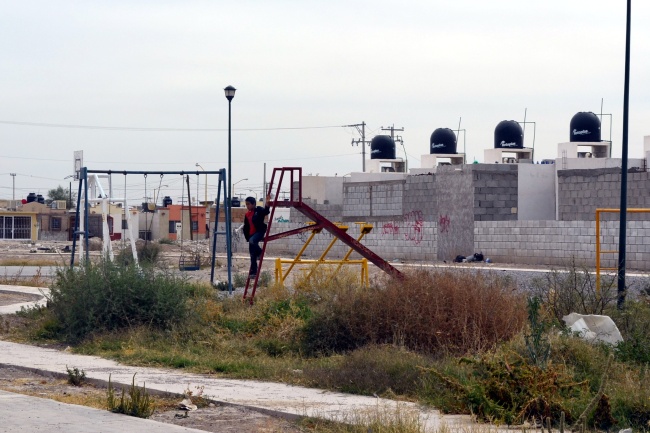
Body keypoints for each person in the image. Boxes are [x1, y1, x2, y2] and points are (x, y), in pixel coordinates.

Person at [243, 194, 271, 277]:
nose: (247, 206)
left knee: (252, 241)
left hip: (259, 231)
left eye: (249, 204)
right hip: (252, 234)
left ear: (254, 204)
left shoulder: (258, 210)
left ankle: (261, 252)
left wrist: (267, 204)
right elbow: (246, 226)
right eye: (246, 204)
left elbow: (266, 212)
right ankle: (254, 272)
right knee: (252, 255)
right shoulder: (247, 214)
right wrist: (247, 236)